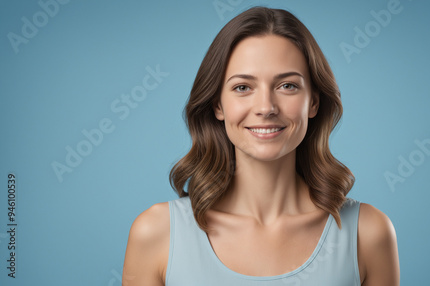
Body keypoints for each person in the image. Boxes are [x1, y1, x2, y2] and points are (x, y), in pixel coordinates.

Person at [122, 6, 399, 285]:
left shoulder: (368, 233)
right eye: (243, 87)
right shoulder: (156, 234)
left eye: (287, 86)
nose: (266, 108)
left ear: (313, 102)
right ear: (218, 104)